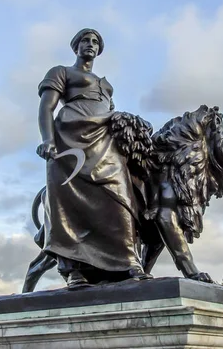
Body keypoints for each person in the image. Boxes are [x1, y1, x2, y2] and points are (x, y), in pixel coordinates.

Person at [36, 28, 151, 289]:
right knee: (68, 203)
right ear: (75, 46)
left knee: (121, 198)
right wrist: (48, 140)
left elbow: (110, 112)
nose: (90, 44)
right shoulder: (61, 72)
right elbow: (46, 106)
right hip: (70, 141)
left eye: (95, 41)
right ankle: (73, 268)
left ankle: (128, 261)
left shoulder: (106, 84)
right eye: (85, 40)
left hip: (104, 141)